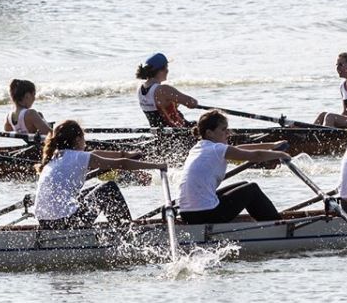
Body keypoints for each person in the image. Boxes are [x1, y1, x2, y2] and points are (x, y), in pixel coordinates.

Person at [32, 119, 166, 229]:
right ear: (78, 139)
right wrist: (157, 166)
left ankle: (120, 229)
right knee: (108, 188)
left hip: (45, 222)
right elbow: (122, 164)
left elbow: (95, 154)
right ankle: (127, 233)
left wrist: (125, 154)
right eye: (84, 138)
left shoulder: (55, 157)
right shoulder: (78, 157)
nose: (85, 142)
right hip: (65, 222)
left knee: (89, 191)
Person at [176, 111, 290, 224]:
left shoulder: (200, 148)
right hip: (205, 215)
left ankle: (267, 223)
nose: (228, 133)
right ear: (209, 133)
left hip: (187, 214)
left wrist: (272, 145)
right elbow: (256, 156)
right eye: (223, 129)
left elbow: (240, 149)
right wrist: (281, 154)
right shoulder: (217, 149)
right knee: (252, 190)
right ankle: (277, 226)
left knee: (244, 185)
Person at [134, 52, 201, 130]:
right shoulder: (163, 89)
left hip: (160, 134)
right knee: (211, 124)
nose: (168, 71)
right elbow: (192, 103)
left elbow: (159, 106)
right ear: (163, 69)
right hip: (178, 132)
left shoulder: (140, 88)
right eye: (167, 67)